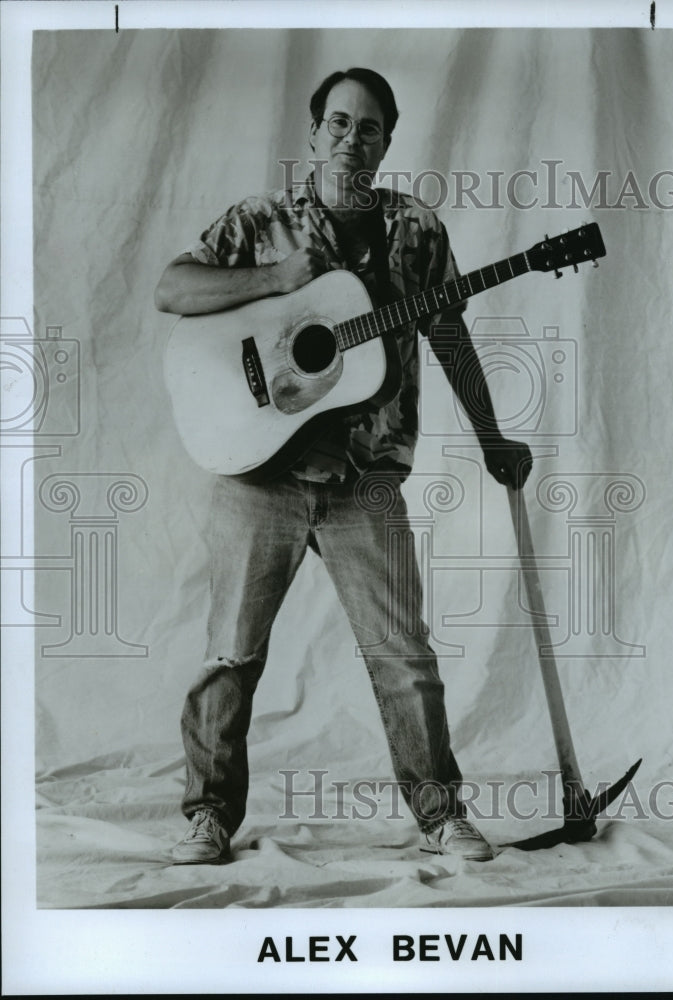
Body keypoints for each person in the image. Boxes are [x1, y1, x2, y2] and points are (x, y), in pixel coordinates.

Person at [155, 67, 532, 864]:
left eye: (369, 128)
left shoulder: (418, 232)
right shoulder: (263, 222)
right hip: (261, 472)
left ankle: (438, 815)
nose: (351, 140)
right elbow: (172, 287)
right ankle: (208, 817)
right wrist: (278, 281)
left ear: (388, 141)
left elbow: (451, 340)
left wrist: (494, 438)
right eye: (338, 122)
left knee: (404, 657)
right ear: (314, 131)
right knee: (231, 652)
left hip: (367, 480)